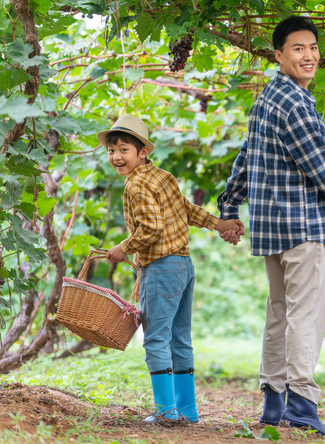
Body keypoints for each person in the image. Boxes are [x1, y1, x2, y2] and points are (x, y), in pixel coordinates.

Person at [216, 16, 325, 439]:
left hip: (271, 229)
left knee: (279, 315)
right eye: (298, 48)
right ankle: (302, 403)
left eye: (314, 48)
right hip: (303, 227)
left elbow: (245, 159)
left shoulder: (267, 97)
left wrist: (229, 205)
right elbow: (324, 167)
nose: (309, 56)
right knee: (305, 316)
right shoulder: (296, 105)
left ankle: (273, 401)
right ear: (279, 54)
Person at [99, 114, 243, 423]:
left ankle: (166, 411)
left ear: (143, 152)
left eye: (124, 149)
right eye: (112, 151)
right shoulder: (163, 177)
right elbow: (186, 209)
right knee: (180, 337)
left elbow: (150, 229)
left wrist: (121, 249)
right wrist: (219, 224)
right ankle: (187, 410)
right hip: (183, 266)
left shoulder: (136, 185)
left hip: (162, 268)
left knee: (155, 338)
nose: (116, 157)